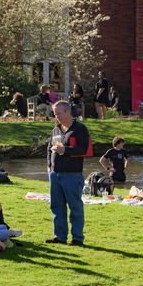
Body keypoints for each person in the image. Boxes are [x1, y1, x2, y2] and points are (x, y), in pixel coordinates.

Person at [46, 100, 90, 246]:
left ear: (67, 111)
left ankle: (77, 238)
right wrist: (49, 167)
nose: (56, 116)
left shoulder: (80, 129)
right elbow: (48, 149)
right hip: (55, 173)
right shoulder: (55, 129)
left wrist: (65, 150)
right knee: (56, 206)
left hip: (72, 174)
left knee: (75, 207)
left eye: (58, 113)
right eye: (55, 114)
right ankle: (60, 236)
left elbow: (84, 149)